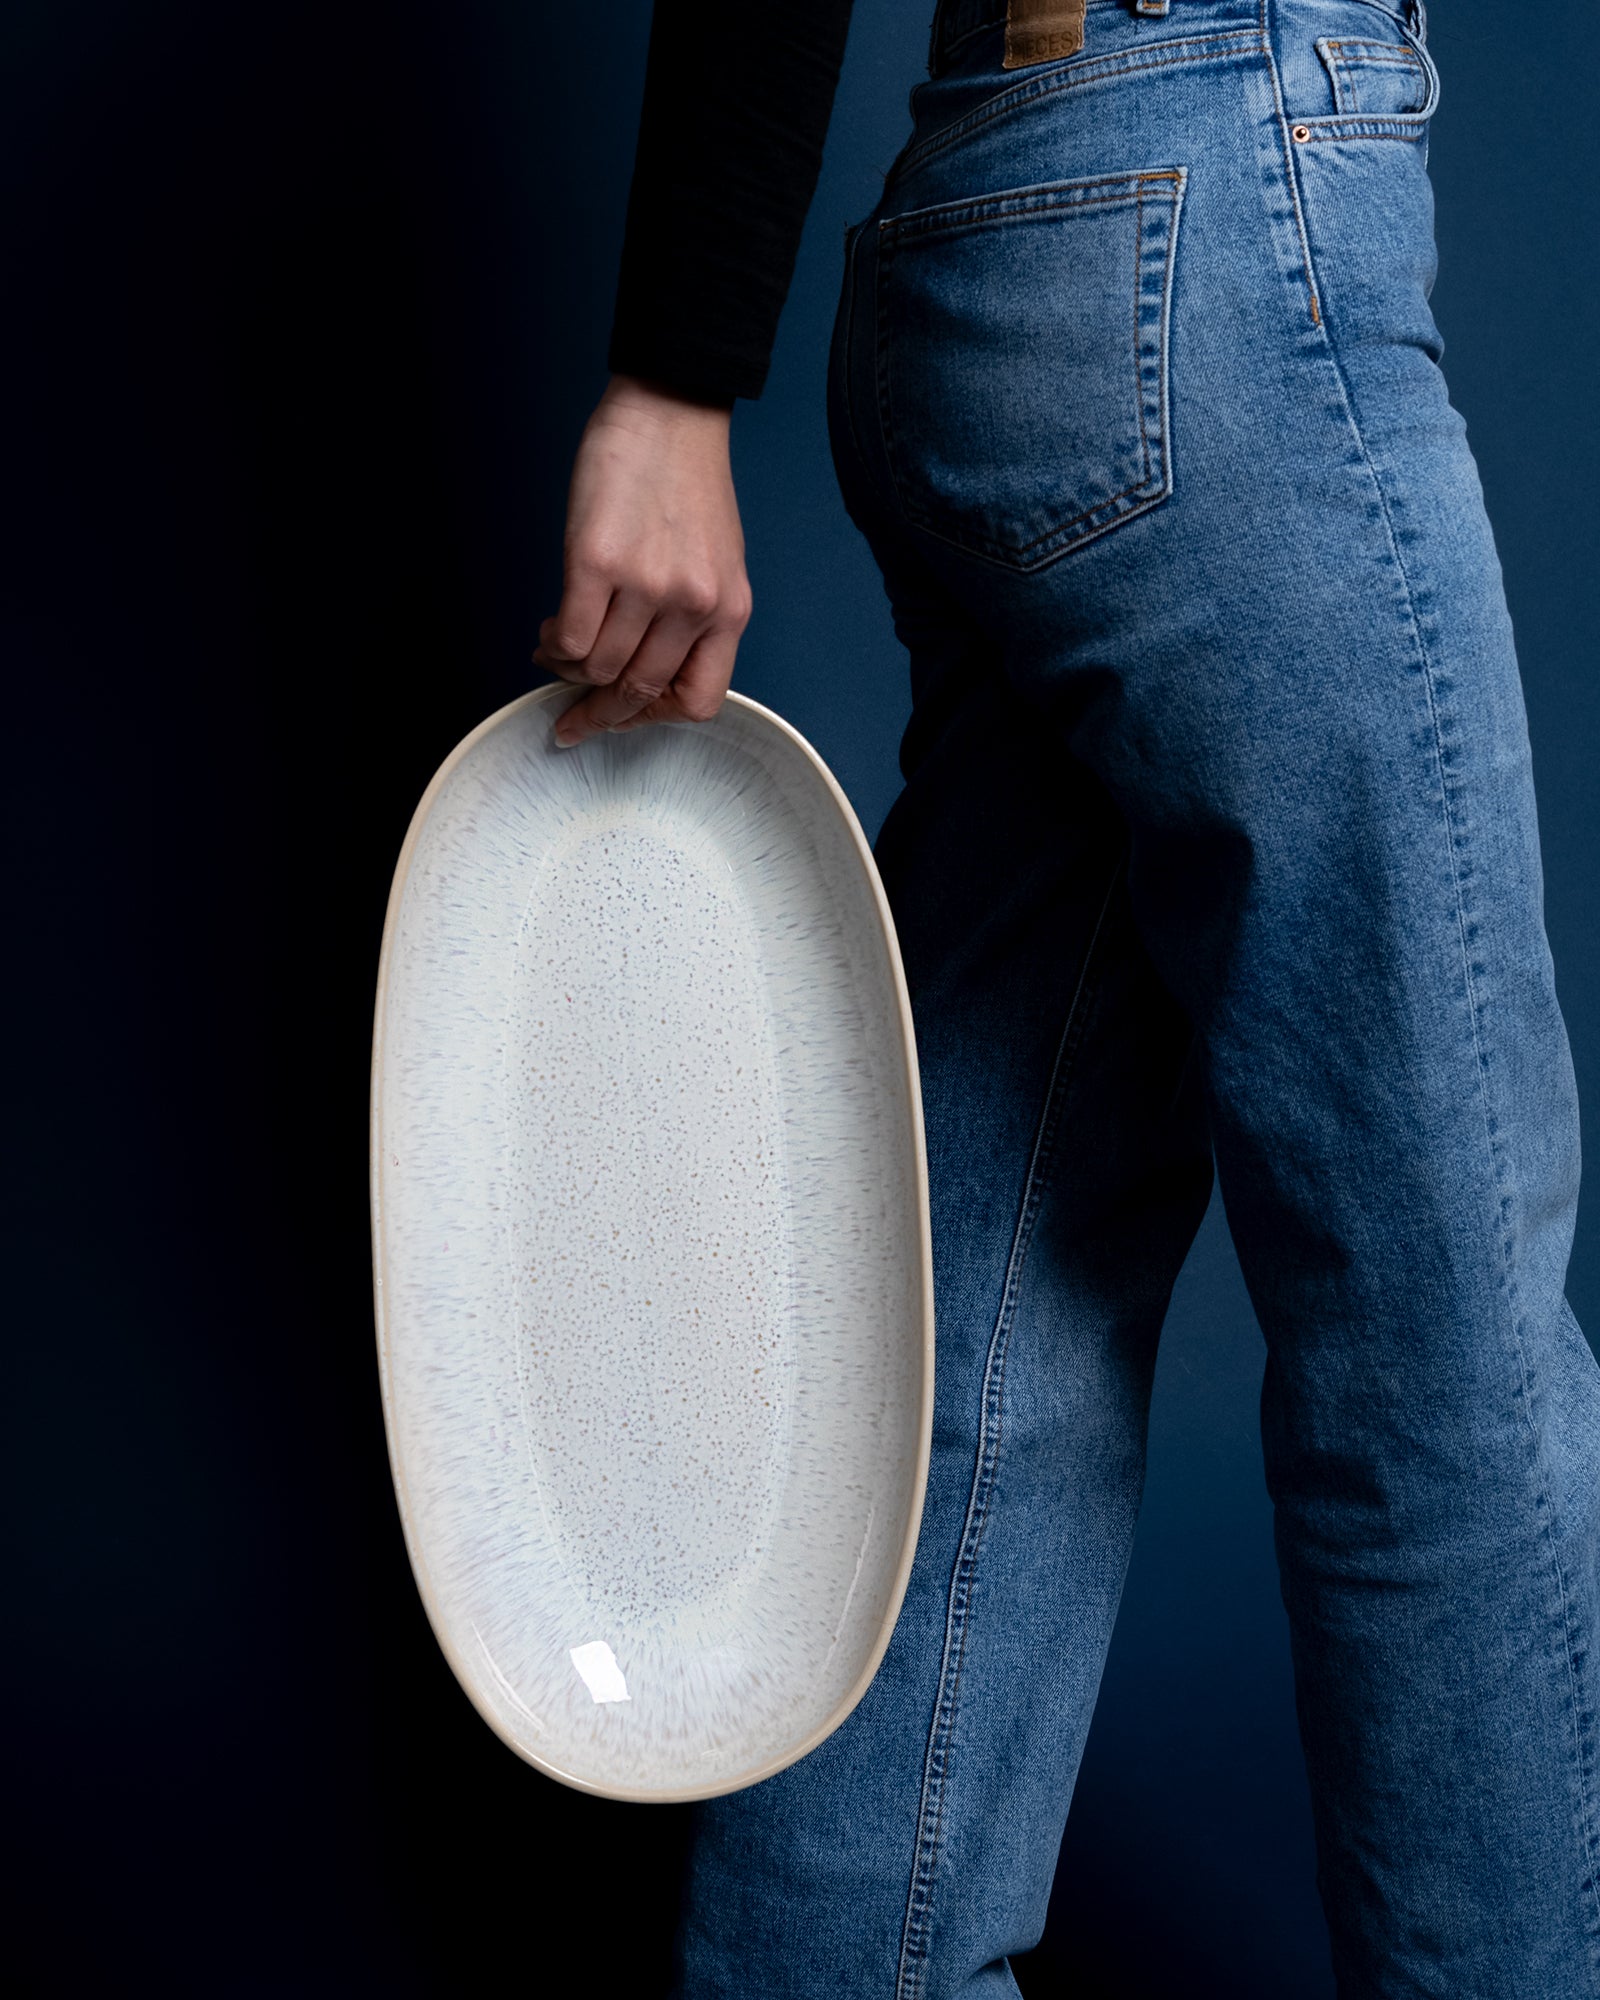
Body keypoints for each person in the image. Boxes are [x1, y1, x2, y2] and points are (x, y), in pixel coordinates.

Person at [536, 2, 1600, 1993]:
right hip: (1225, 202)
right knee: (1432, 1325)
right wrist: (669, 379)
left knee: (974, 1323)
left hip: (1010, 204)